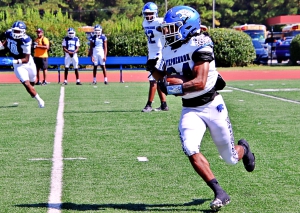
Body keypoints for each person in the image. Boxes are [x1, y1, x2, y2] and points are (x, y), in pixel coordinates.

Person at [150, 6, 255, 211]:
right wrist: (153, 69)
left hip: (211, 105)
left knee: (231, 158)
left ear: (187, 26)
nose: (167, 32)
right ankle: (219, 192)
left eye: (172, 28)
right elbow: (159, 75)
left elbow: (199, 82)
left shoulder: (200, 42)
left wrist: (172, 88)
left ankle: (244, 148)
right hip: (190, 109)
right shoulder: (169, 48)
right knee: (190, 147)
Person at [0, 21, 45, 108]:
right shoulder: (9, 33)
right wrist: (2, 46)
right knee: (26, 84)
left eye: (18, 31)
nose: (16, 33)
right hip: (18, 65)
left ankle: (32, 91)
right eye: (15, 31)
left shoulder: (26, 40)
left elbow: (26, 59)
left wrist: (13, 62)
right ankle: (40, 100)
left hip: (28, 62)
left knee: (32, 82)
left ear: (23, 31)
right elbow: (7, 41)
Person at [141, 2, 168, 112]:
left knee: (153, 80)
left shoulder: (160, 22)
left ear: (155, 13)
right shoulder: (144, 23)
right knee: (157, 79)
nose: (148, 16)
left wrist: (163, 28)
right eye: (146, 13)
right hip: (151, 53)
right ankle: (164, 104)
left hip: (160, 53)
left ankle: (149, 105)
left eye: (151, 13)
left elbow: (167, 32)